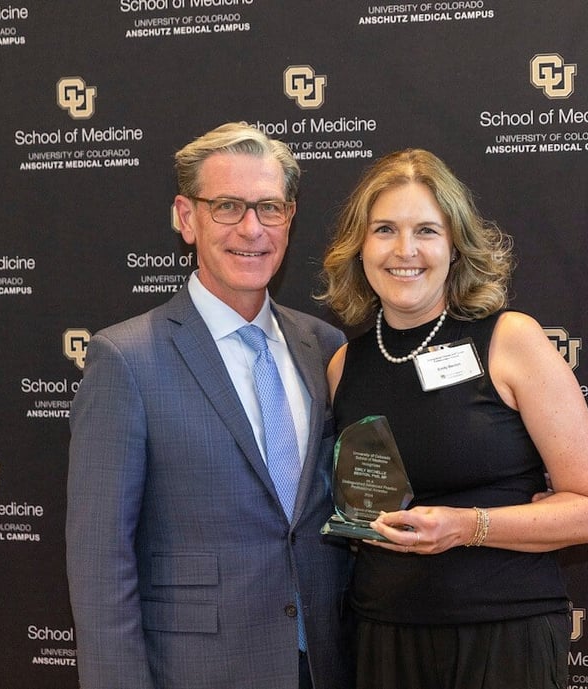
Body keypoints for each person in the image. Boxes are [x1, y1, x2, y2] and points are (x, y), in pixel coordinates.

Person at [318, 148, 588, 689]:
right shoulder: (345, 365)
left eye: (427, 231)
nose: (405, 250)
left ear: (455, 246)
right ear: (359, 247)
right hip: (384, 637)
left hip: (504, 637)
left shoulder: (511, 340)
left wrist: (466, 527)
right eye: (384, 229)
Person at [66, 122, 353, 689]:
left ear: (289, 218)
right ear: (186, 217)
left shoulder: (325, 347)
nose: (252, 229)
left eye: (269, 207)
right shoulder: (125, 360)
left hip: (325, 664)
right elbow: (101, 565)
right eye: (227, 206)